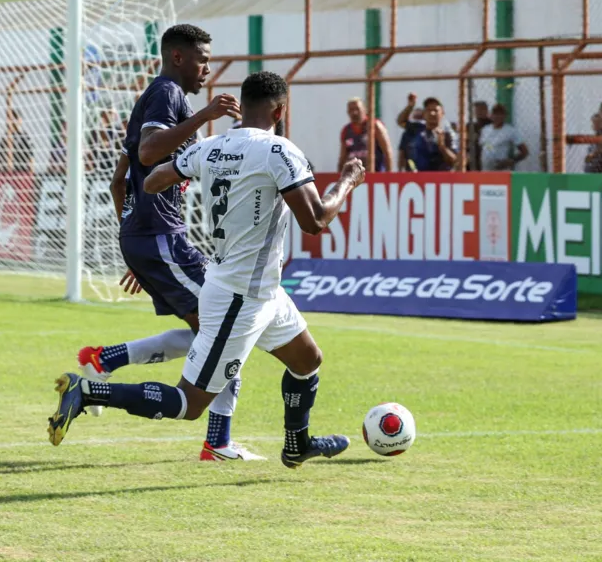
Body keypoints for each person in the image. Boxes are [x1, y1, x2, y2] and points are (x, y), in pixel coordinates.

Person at [48, 70, 365, 469]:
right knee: (189, 403)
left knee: (307, 361)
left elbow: (153, 181)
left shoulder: (212, 146)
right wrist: (349, 181)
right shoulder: (280, 150)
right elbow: (316, 220)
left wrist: (202, 177)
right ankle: (89, 391)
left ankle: (296, 444)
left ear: (244, 106)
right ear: (280, 109)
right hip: (239, 297)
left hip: (262, 290)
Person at [75, 24, 261, 462]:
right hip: (161, 238)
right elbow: (145, 154)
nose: (207, 69)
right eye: (203, 59)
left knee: (211, 328)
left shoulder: (153, 97)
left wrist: (133, 239)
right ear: (178, 57)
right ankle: (217, 442)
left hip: (153, 238)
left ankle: (105, 359)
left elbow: (119, 179)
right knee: (224, 329)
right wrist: (204, 116)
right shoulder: (168, 96)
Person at [403, 96, 459, 172]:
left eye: (435, 110)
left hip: (440, 178)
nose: (432, 113)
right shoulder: (418, 128)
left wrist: (442, 147)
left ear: (442, 113)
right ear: (424, 113)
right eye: (428, 110)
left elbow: (455, 161)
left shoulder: (448, 134)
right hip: (418, 177)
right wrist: (410, 106)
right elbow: (401, 121)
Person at [337, 97, 392, 172]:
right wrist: (339, 177)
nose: (354, 113)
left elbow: (387, 152)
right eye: (351, 110)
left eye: (357, 109)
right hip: (354, 177)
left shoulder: (375, 126)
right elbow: (342, 158)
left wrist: (388, 177)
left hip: (376, 175)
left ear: (364, 110)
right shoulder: (346, 131)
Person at [478, 103, 528, 171]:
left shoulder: (510, 131)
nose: (497, 116)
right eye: (495, 114)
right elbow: (485, 146)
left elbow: (525, 152)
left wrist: (512, 160)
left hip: (501, 169)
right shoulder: (485, 129)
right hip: (485, 169)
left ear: (505, 116)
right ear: (491, 115)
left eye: (501, 114)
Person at [0, 109, 33, 174]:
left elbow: (31, 157)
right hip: (5, 174)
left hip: (21, 173)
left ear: (20, 120)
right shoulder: (5, 137)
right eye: (10, 118)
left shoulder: (25, 137)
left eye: (15, 117)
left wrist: (30, 174)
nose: (12, 120)